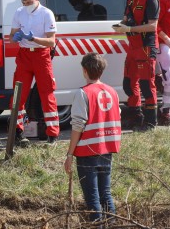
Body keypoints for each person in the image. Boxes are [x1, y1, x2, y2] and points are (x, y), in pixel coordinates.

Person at [64, 53, 121, 226]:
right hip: (107, 150)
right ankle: (111, 225)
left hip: (87, 152)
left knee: (92, 198)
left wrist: (69, 154)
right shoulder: (112, 92)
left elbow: (78, 126)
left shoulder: (83, 93)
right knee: (106, 194)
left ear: (84, 70)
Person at [9, 0, 59, 145]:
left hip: (41, 55)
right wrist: (15, 38)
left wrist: (35, 39)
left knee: (47, 93)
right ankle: (17, 132)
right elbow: (11, 37)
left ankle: (52, 134)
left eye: (28, 2)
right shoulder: (19, 12)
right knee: (18, 95)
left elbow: (51, 41)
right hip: (24, 55)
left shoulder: (46, 13)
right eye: (23, 3)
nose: (26, 6)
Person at [114, 0, 159, 131]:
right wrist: (121, 25)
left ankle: (150, 122)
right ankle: (136, 116)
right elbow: (126, 17)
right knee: (128, 84)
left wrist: (131, 27)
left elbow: (153, 26)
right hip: (132, 46)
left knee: (147, 84)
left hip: (145, 46)